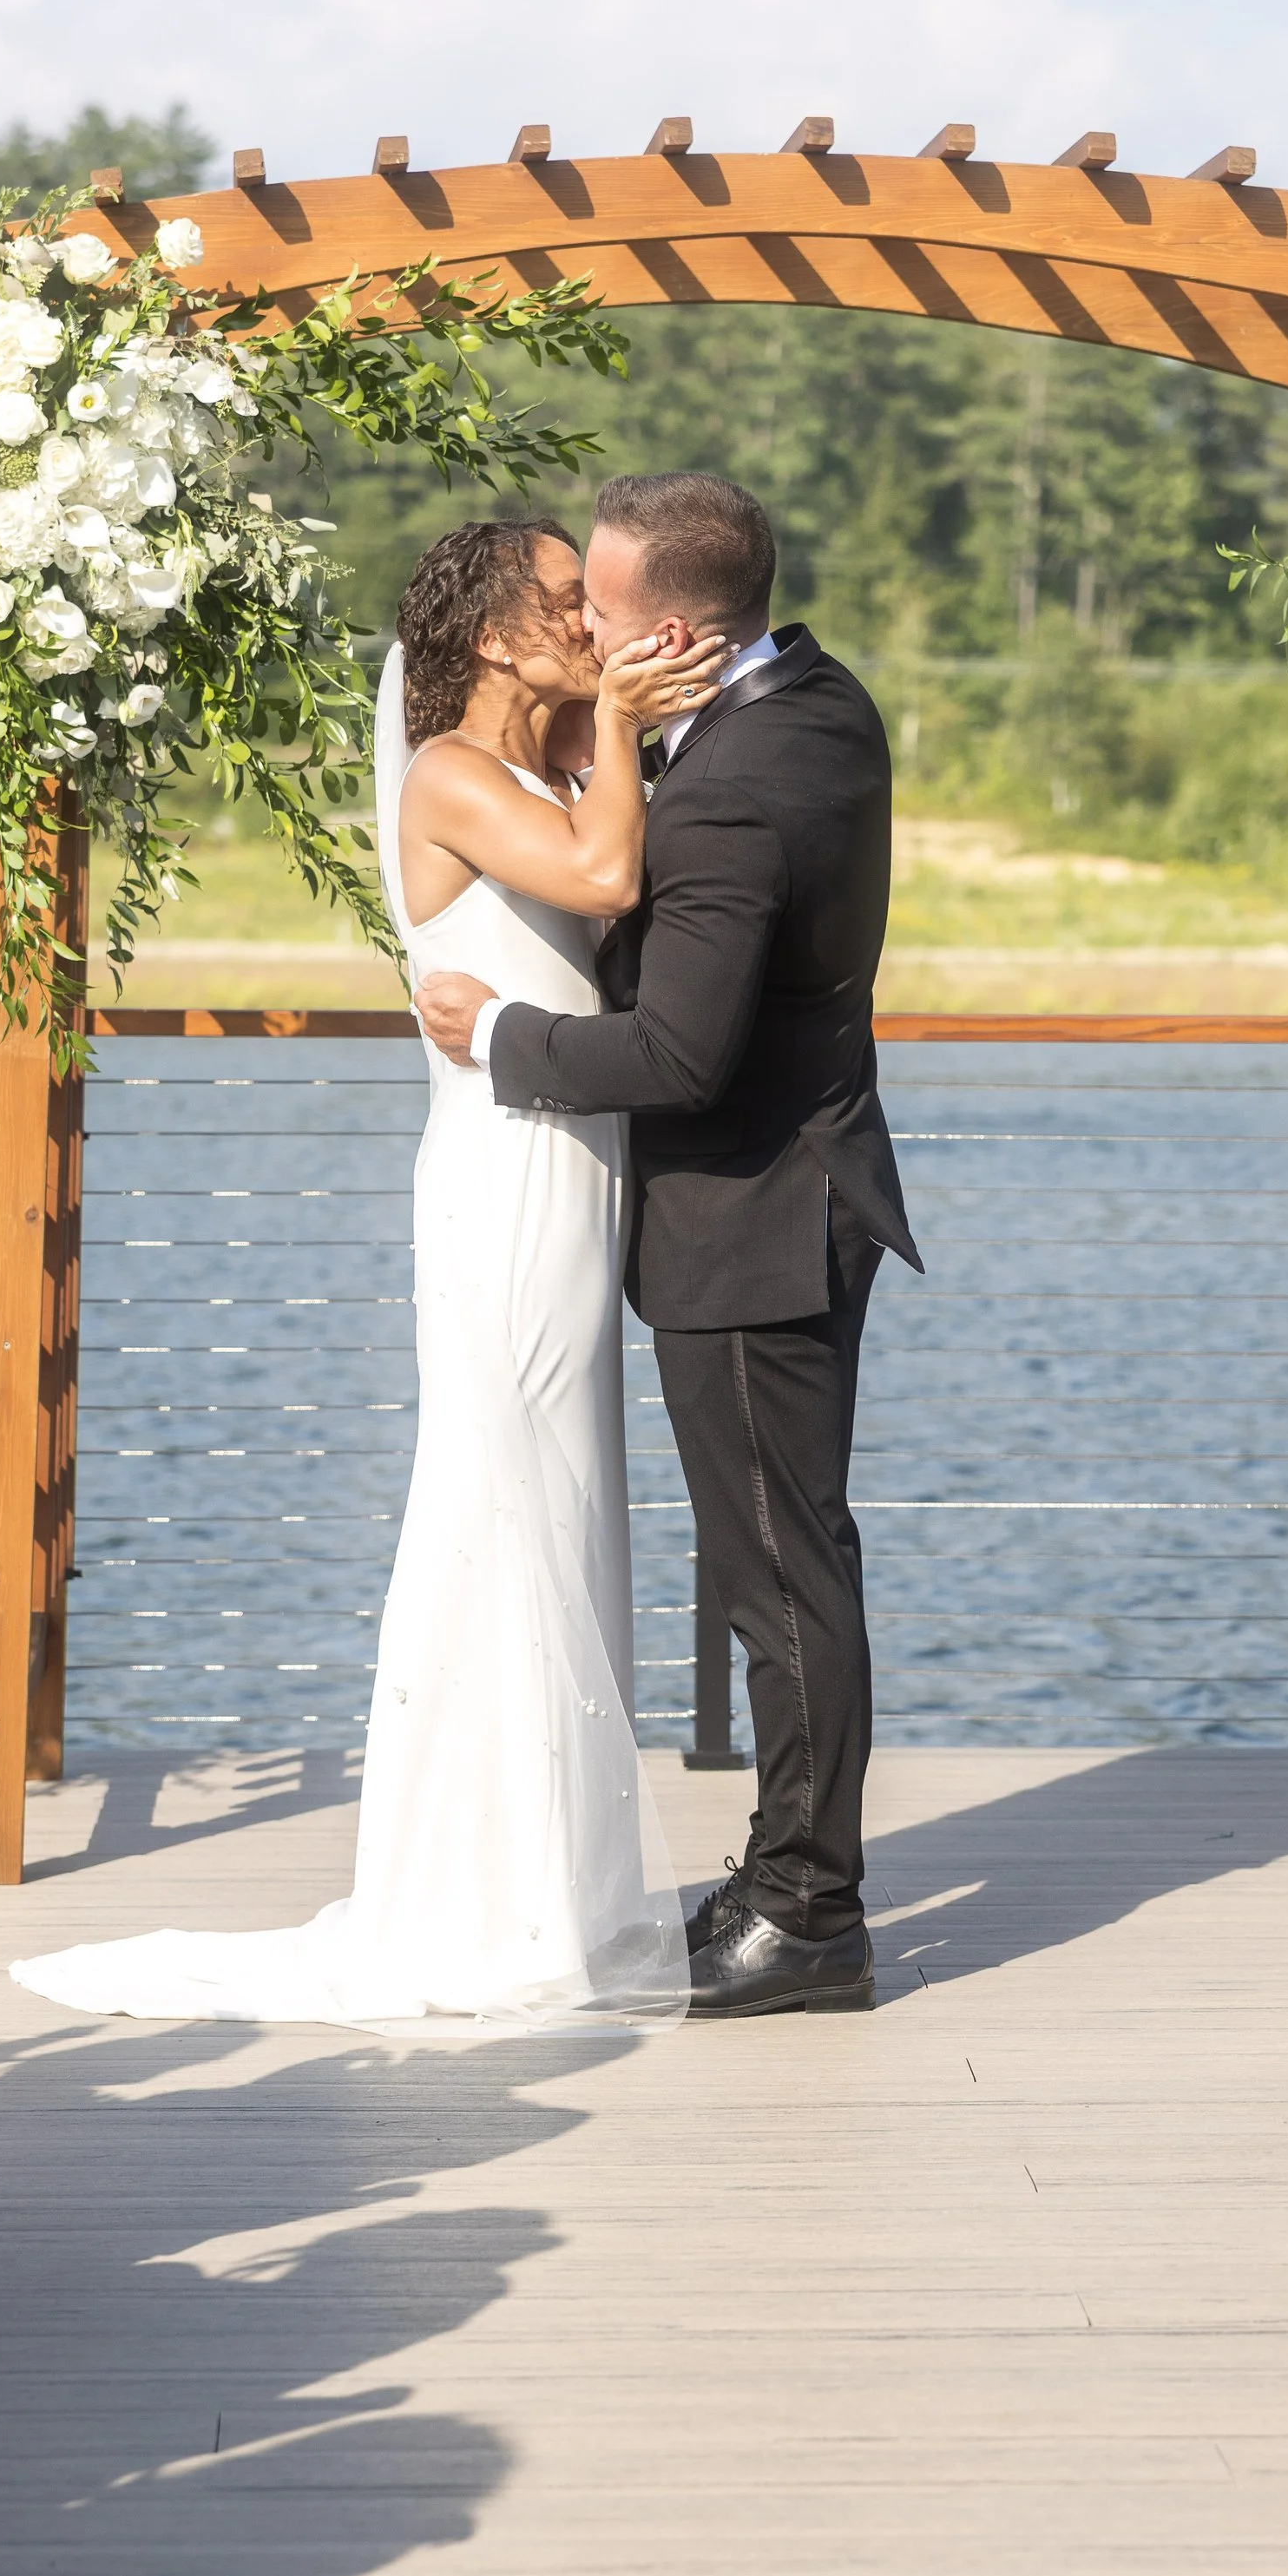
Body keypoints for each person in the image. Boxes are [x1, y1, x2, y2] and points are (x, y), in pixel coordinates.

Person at [11, 516, 719, 2034]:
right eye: (562, 603)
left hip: (578, 1170)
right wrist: (619, 728)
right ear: (487, 633)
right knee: (501, 1504)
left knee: (570, 1509)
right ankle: (481, 1899)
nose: (594, 625)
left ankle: (564, 1887)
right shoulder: (458, 778)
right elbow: (603, 881)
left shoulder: (548, 767)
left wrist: (623, 738)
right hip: (506, 1178)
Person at [415, 470, 921, 2021]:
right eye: (567, 612)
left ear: (684, 631)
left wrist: (500, 1037)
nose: (588, 628)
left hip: (750, 1220)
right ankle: (779, 1869)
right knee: (785, 1563)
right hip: (788, 1196)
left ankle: (812, 1917)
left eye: (607, 613)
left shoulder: (729, 788)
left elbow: (682, 1057)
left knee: (781, 1578)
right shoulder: (820, 700)